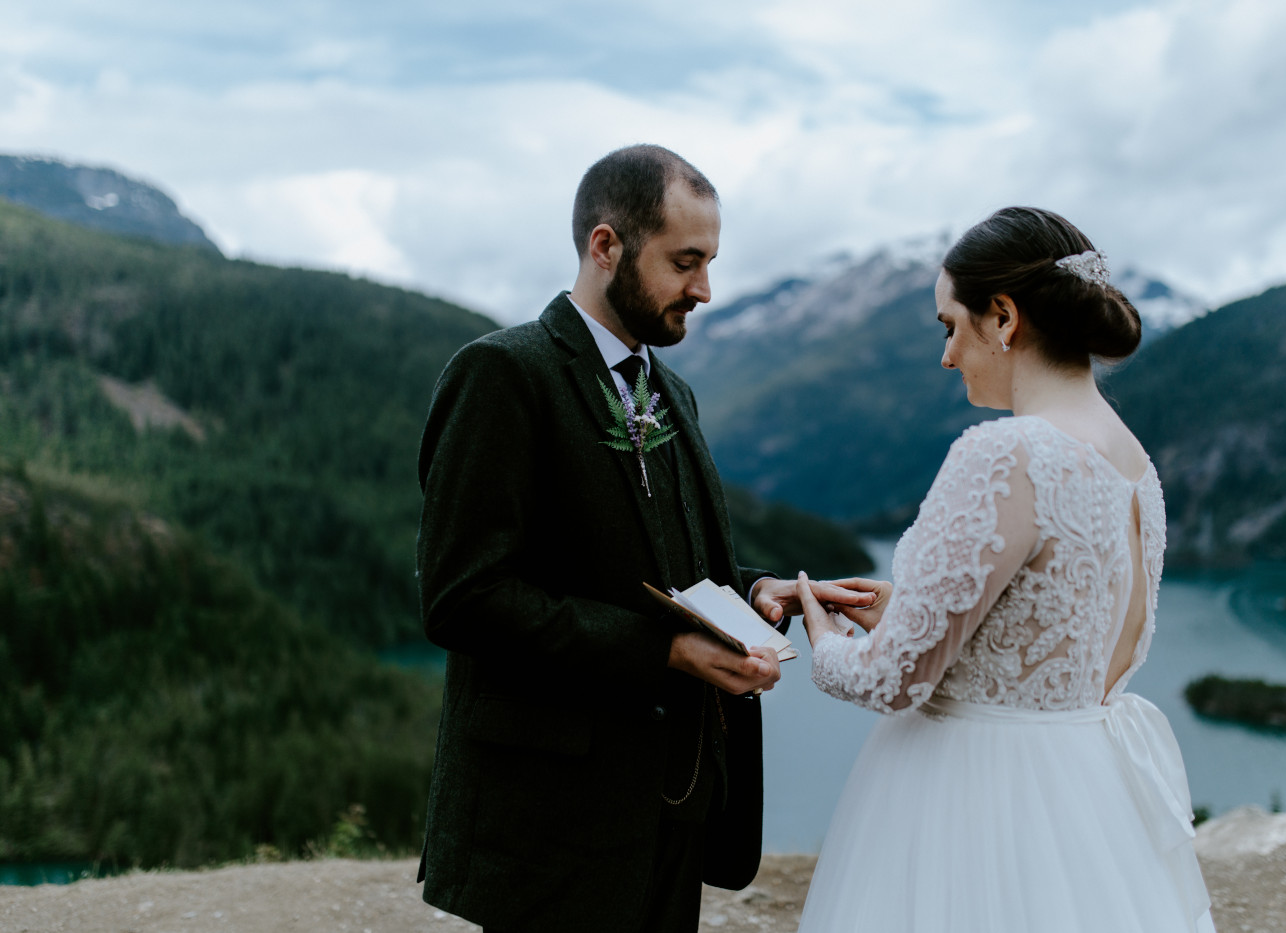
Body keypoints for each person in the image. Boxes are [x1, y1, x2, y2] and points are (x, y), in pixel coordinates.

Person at [414, 144, 873, 933]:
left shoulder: (673, 390)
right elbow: (465, 598)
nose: (704, 288)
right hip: (553, 821)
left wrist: (759, 590)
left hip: (674, 803)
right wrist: (661, 651)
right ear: (605, 245)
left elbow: (683, 567)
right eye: (685, 261)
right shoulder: (502, 373)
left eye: (709, 262)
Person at [792, 207, 1216, 932]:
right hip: (1086, 798)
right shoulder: (1135, 464)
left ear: (1004, 317)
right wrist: (918, 605)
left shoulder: (1005, 452)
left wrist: (823, 637)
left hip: (973, 794)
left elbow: (892, 680)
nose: (947, 355)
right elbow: (1082, 638)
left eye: (949, 325)